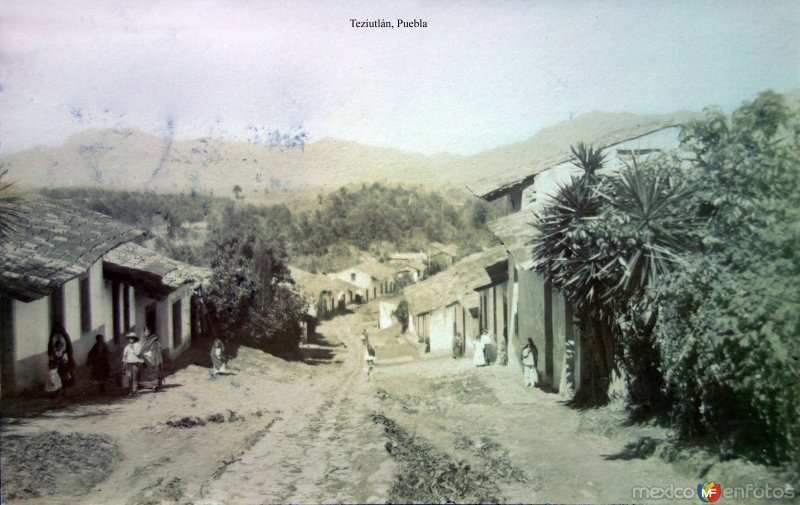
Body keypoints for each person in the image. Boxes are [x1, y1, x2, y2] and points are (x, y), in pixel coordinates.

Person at [47, 324, 76, 390]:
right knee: (55, 377)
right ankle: (56, 390)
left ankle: (64, 389)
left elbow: (69, 347)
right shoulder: (52, 338)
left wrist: (66, 357)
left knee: (64, 376)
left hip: (63, 363)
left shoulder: (65, 337)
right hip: (56, 362)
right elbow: (50, 349)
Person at [122, 332, 143, 396]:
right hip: (128, 364)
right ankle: (130, 391)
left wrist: (133, 348)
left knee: (135, 378)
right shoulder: (126, 347)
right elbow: (124, 357)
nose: (131, 339)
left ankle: (135, 391)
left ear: (134, 339)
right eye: (129, 338)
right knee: (129, 378)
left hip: (135, 364)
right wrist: (123, 365)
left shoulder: (138, 345)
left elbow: (138, 353)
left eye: (132, 338)